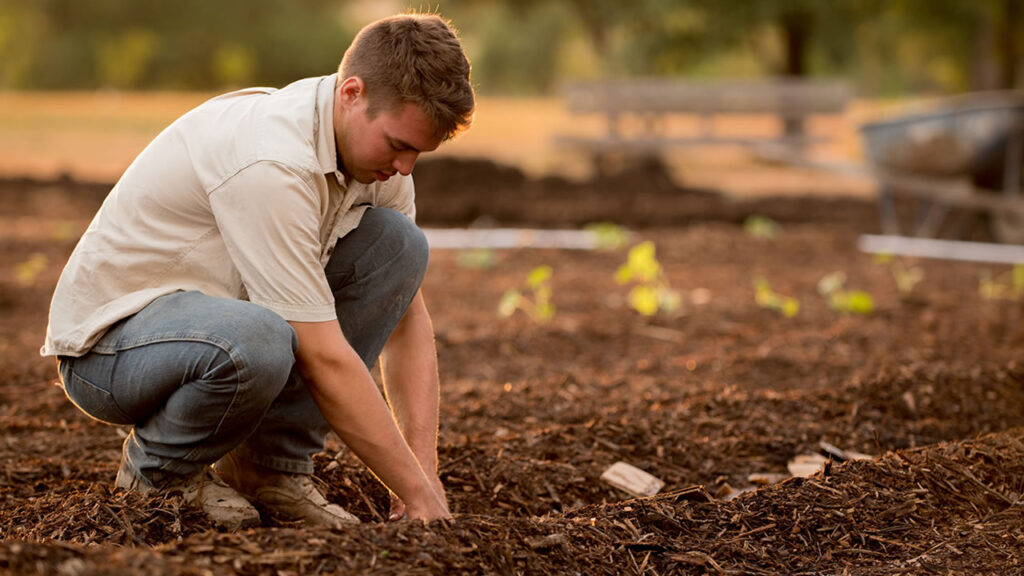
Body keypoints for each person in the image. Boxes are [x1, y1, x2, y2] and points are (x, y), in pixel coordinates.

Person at [41, 13, 474, 531]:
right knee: (261, 338)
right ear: (352, 93)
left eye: (418, 153)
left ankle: (269, 468)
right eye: (398, 144)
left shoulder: (377, 164)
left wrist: (424, 475)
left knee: (399, 246)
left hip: (217, 326)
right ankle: (159, 475)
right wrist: (410, 489)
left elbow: (406, 319)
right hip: (110, 350)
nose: (405, 168)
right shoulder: (272, 161)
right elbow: (323, 358)